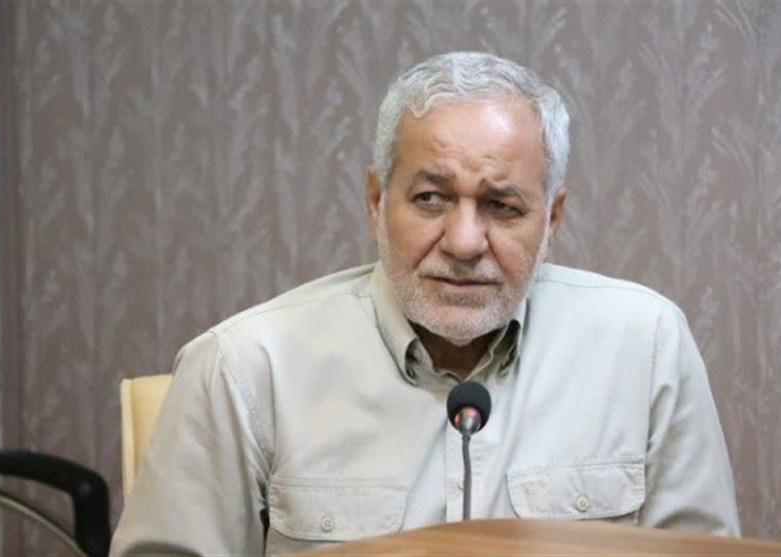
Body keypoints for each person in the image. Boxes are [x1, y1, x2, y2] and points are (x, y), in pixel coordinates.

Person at [110, 52, 740, 555]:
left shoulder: (646, 346)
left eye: (502, 206)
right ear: (376, 202)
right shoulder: (244, 366)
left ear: (552, 220)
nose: (464, 243)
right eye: (431, 199)